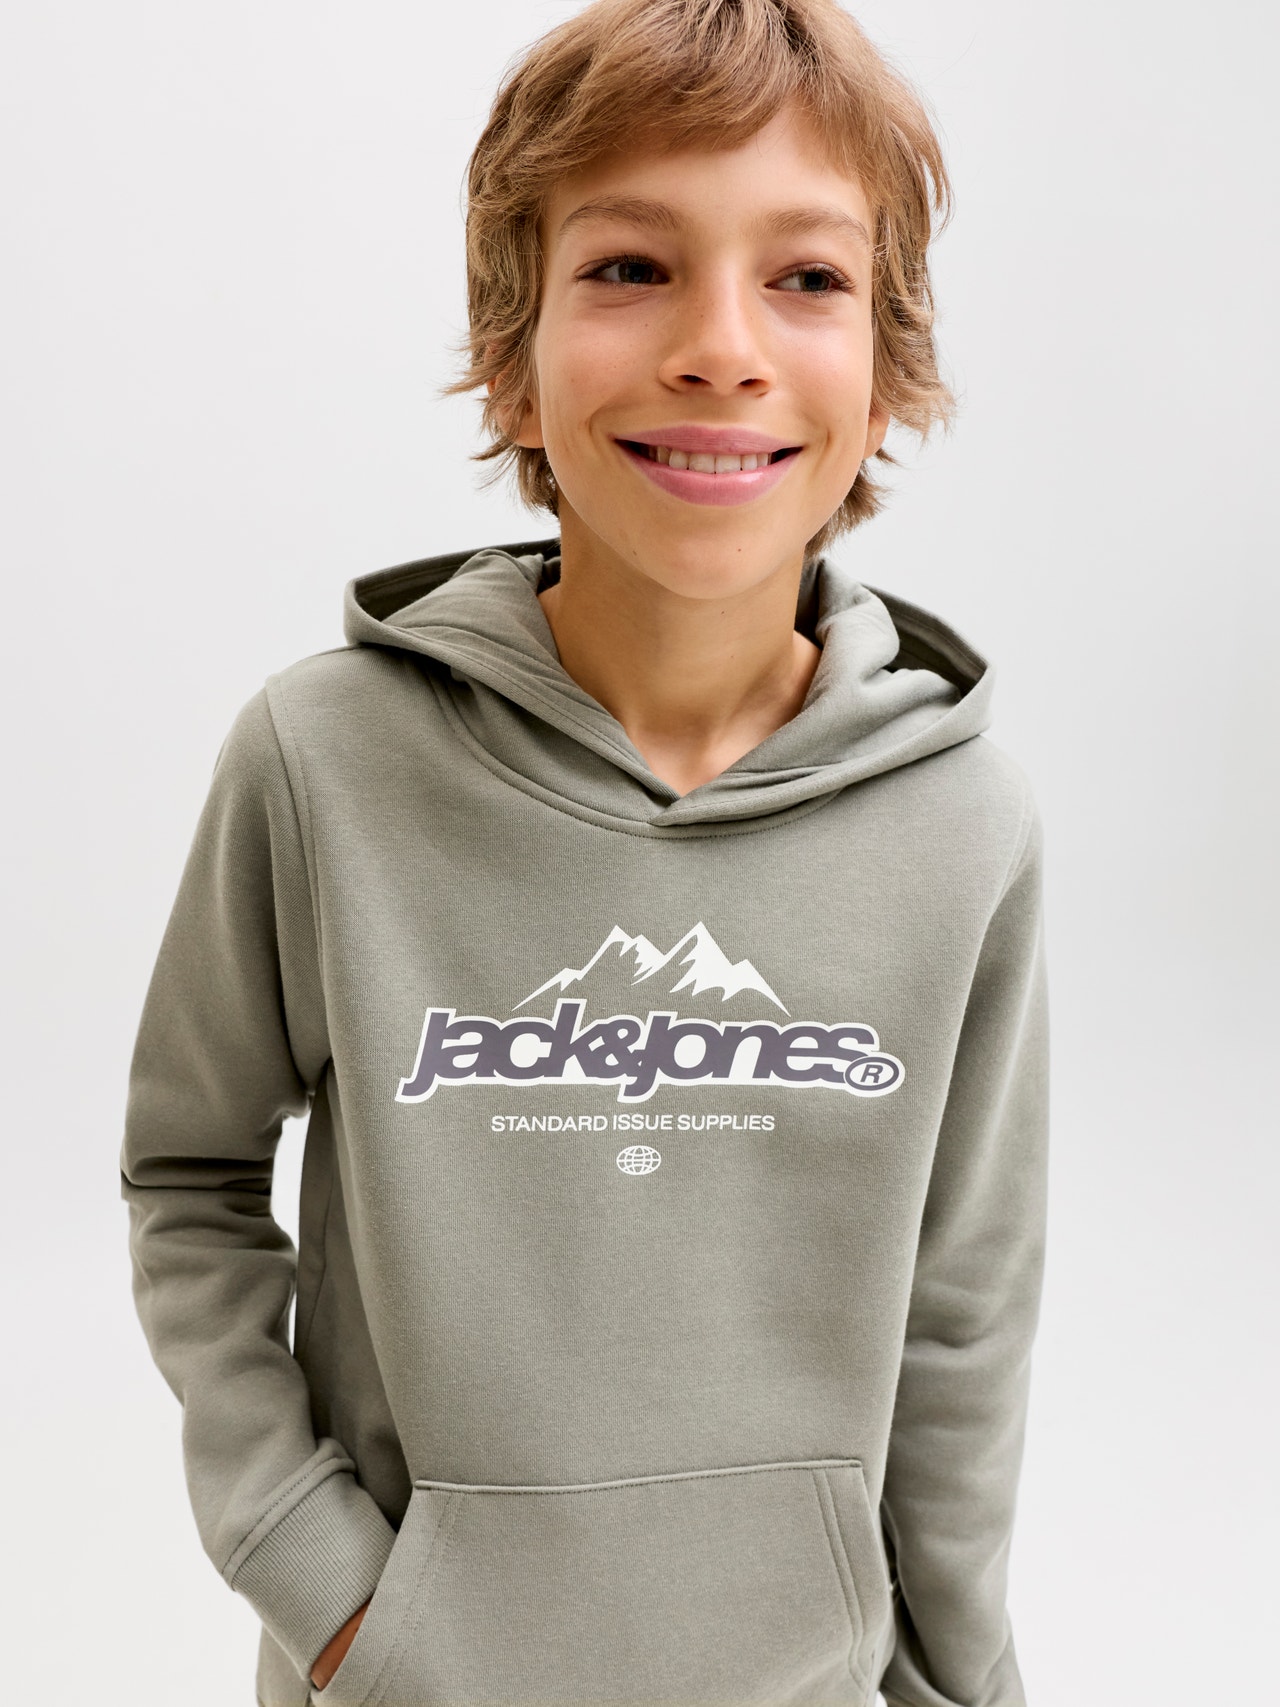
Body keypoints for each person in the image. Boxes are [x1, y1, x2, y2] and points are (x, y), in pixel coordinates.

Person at [120, 1, 1050, 1703]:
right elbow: (186, 1176)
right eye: (630, 268)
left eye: (807, 277)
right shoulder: (323, 764)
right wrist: (323, 1582)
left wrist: (959, 1686)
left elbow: (962, 1320)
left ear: (885, 374)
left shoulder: (960, 822)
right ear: (512, 357)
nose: (721, 347)